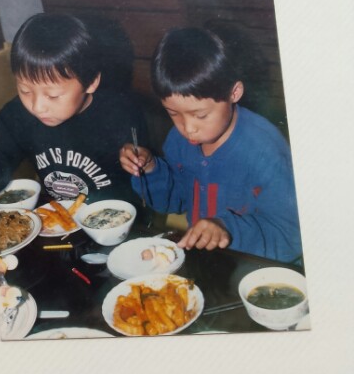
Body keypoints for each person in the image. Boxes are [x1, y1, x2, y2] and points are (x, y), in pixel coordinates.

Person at [119, 27, 302, 263]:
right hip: (207, 259)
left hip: (260, 265)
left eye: (201, 115)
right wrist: (151, 169)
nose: (188, 128)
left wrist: (226, 228)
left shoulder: (265, 150)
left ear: (234, 93)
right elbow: (174, 201)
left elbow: (292, 236)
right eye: (173, 113)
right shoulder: (179, 140)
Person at [0, 13, 148, 206]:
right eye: (25, 90)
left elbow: (144, 179)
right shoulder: (16, 115)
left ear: (91, 82)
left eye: (53, 95)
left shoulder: (120, 114)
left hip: (115, 214)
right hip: (58, 213)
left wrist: (137, 159)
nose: (37, 107)